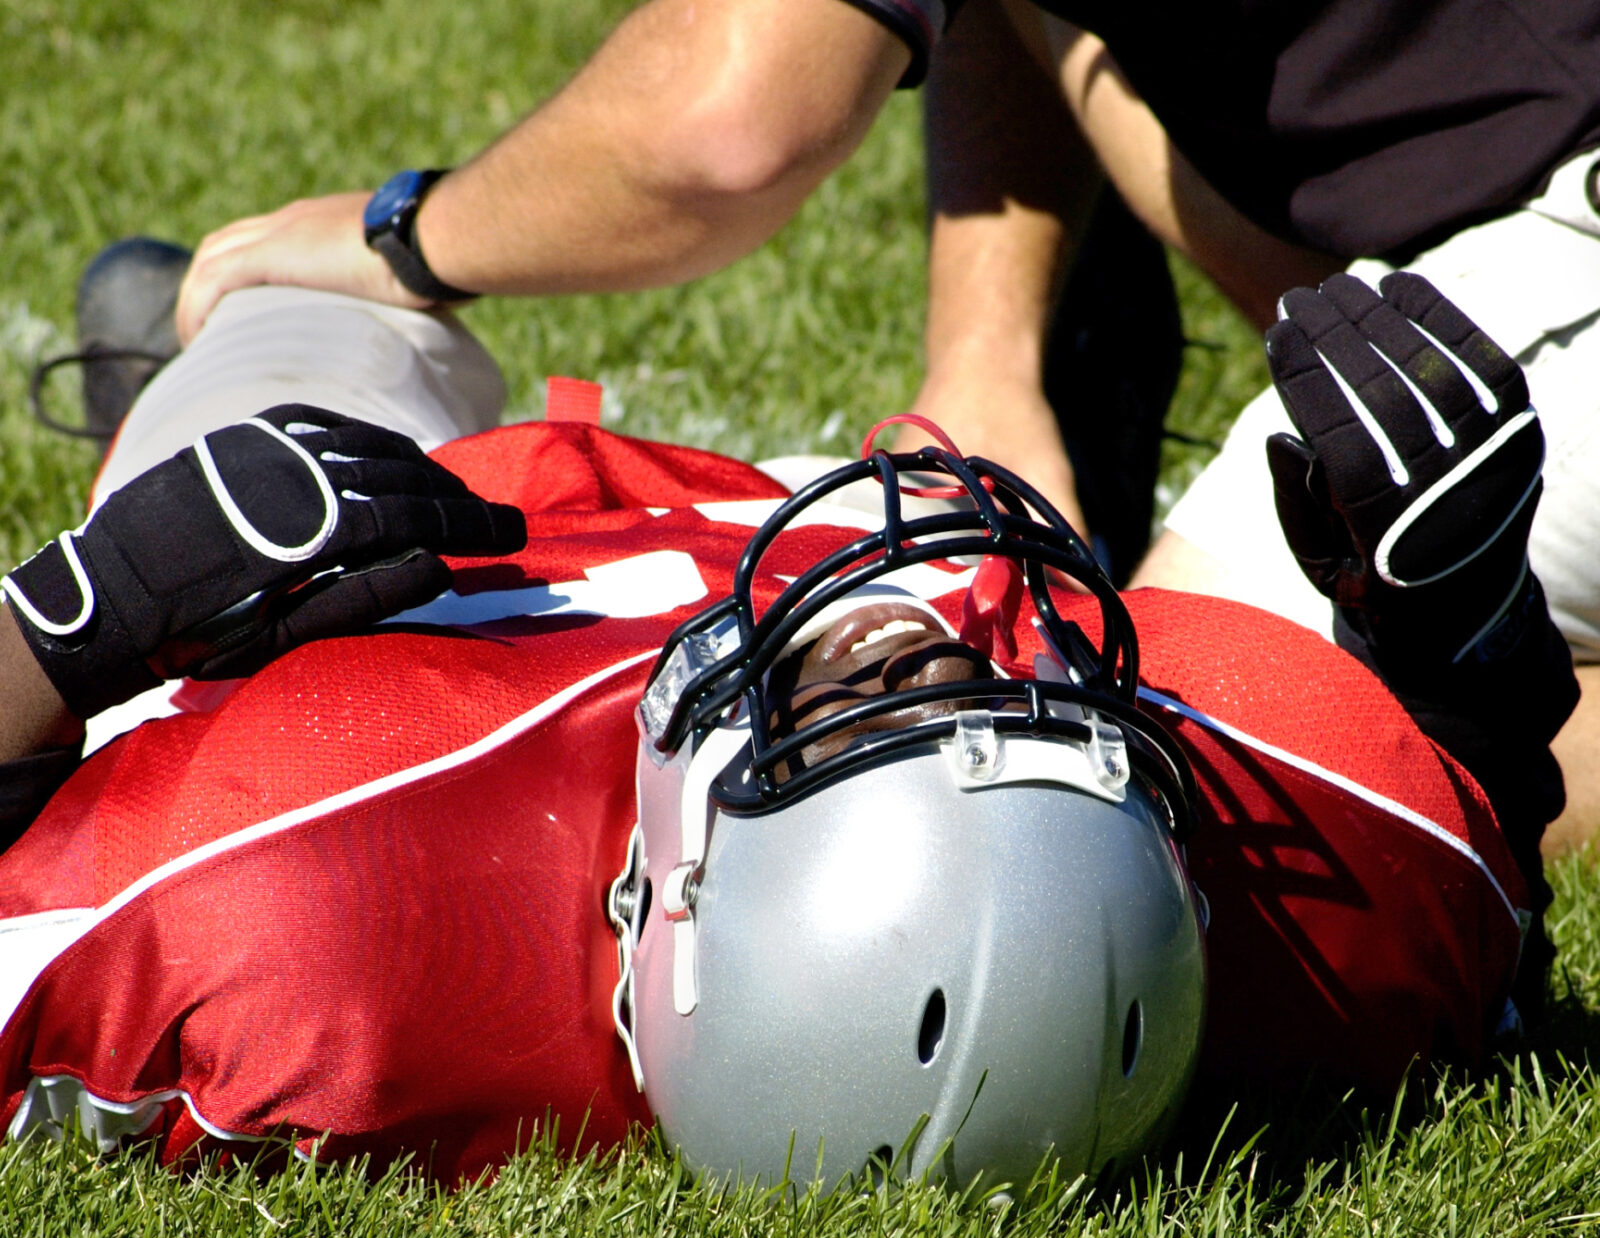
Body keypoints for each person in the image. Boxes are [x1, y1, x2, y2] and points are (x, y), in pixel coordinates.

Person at [0, 271, 1569, 1183]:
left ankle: (199, 324)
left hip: (400, 547)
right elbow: (1467, 870)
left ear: (676, 899)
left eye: (877, 701)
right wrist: (1457, 620)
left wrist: (84, 611)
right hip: (719, 533)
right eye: (1025, 705)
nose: (938, 633)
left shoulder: (301, 905)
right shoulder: (1197, 896)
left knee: (315, 327)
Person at [129, 0, 1597, 848]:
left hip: (1562, 224)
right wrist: (985, 363)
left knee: (1215, 751)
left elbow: (718, 125)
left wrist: (401, 234)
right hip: (1493, 238)